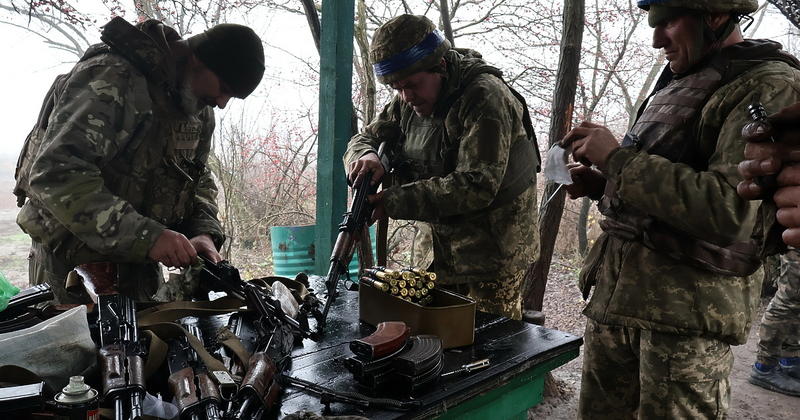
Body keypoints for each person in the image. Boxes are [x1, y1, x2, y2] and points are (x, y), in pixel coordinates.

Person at [563, 0, 800, 417]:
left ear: (714, 15)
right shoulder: (681, 80)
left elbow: (732, 213)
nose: (656, 39)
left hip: (684, 322)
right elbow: (665, 185)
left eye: (668, 22)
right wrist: (605, 184)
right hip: (620, 303)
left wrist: (617, 160)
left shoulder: (765, 85)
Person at [13, 16, 265, 303]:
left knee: (147, 345)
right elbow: (56, 175)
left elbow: (197, 178)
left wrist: (203, 233)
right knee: (75, 348)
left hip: (137, 265)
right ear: (198, 59)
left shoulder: (195, 108)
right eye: (224, 88)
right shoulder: (112, 79)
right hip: (71, 269)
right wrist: (148, 237)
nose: (221, 102)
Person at [343, 14, 539, 320]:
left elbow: (477, 185)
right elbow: (365, 137)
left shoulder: (486, 98)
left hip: (490, 256)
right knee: (432, 341)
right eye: (396, 88)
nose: (406, 97)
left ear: (441, 67)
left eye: (412, 85)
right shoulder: (407, 100)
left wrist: (392, 201)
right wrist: (367, 156)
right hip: (436, 250)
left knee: (488, 350)